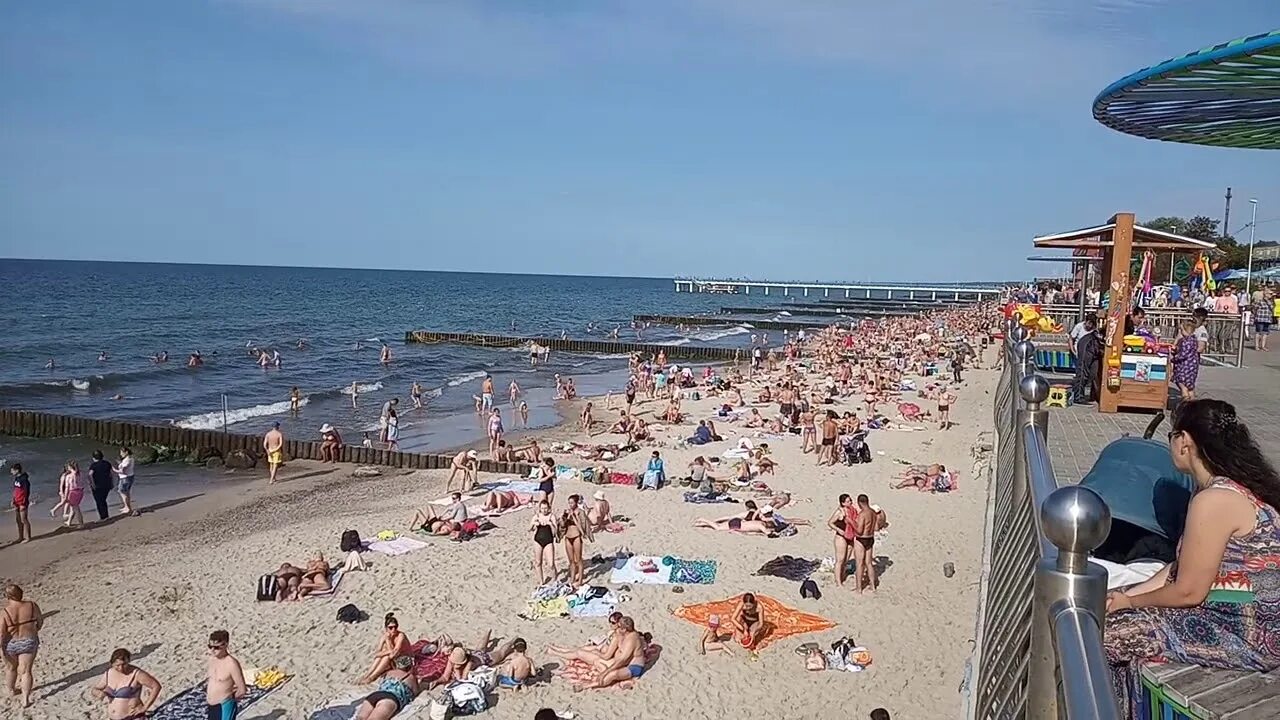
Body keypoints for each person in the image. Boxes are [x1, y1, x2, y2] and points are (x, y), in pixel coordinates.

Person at [1104, 399, 1280, 714]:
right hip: (1244, 622)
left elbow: (1188, 591)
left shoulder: (1213, 500)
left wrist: (1129, 603)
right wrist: (1125, 595)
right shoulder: (1230, 489)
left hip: (1248, 635)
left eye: (1172, 436)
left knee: (1109, 636)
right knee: (1115, 616)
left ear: (1184, 441)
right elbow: (1180, 566)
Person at [92, 647, 162, 720]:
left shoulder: (136, 674)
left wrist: (145, 707)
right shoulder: (109, 673)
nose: (121, 668)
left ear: (128, 661)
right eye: (117, 665)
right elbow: (96, 689)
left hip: (133, 717)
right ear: (112, 664)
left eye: (124, 664)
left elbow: (156, 686)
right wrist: (98, 693)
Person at [1, 584, 41, 708]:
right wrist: (34, 630)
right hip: (28, 640)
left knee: (11, 669)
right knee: (26, 671)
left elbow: (1, 633)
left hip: (11, 643)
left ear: (7, 596)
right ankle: (25, 699)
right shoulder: (32, 606)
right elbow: (39, 622)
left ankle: (11, 690)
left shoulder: (5, 612)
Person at [355, 655, 418, 720]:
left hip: (375, 695)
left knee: (360, 718)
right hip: (390, 698)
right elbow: (415, 692)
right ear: (410, 667)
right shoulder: (410, 677)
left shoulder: (389, 673)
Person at [358, 613, 412, 684]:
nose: (393, 629)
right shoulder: (384, 637)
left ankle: (372, 677)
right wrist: (386, 651)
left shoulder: (400, 636)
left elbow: (393, 655)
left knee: (386, 657)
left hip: (405, 661)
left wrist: (388, 641)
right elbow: (377, 654)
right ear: (386, 629)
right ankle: (368, 674)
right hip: (395, 660)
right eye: (390, 628)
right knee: (381, 656)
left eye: (395, 627)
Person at [205, 630, 246, 720]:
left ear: (226, 645)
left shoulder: (231, 664)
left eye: (216, 647)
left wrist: (229, 700)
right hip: (211, 706)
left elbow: (242, 689)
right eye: (210, 646)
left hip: (224, 705)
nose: (212, 650)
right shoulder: (212, 659)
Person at [561, 494, 594, 587]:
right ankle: (572, 578)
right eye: (569, 503)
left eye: (572, 503)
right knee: (571, 560)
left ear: (576, 503)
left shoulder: (580, 512)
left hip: (576, 536)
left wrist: (574, 517)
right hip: (568, 536)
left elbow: (582, 528)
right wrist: (565, 517)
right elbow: (562, 526)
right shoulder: (567, 512)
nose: (570, 505)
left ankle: (580, 579)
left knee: (579, 559)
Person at [851, 494, 879, 595]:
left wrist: (851, 522)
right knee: (869, 563)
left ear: (859, 503)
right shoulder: (873, 512)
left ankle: (859, 588)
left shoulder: (862, 514)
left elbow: (859, 531)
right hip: (870, 538)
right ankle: (872, 585)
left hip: (861, 539)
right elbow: (876, 527)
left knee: (859, 564)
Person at [827, 494, 857, 587]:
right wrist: (839, 530)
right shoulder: (839, 512)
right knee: (840, 559)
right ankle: (838, 582)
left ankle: (843, 575)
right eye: (848, 501)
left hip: (850, 536)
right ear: (843, 503)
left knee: (846, 559)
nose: (850, 502)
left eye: (850, 500)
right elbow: (830, 523)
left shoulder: (852, 510)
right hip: (841, 536)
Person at [530, 500, 560, 585]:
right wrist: (534, 524)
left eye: (546, 508)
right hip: (538, 540)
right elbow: (530, 528)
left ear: (549, 508)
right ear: (540, 508)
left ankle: (555, 580)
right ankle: (541, 581)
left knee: (551, 563)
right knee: (538, 562)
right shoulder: (537, 516)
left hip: (548, 541)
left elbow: (555, 533)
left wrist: (551, 524)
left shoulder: (552, 516)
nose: (544, 510)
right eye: (542, 508)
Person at [1171, 320, 1200, 401]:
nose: (1180, 332)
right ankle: (1193, 404)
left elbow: (1182, 355)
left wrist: (1174, 358)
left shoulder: (1185, 342)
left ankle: (1186, 402)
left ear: (1186, 330)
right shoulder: (1194, 340)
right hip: (1192, 367)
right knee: (1190, 388)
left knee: (1182, 385)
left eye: (1181, 330)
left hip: (1184, 368)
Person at [57, 460, 85, 529]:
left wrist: (65, 496)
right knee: (74, 508)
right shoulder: (80, 474)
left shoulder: (69, 476)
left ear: (70, 467)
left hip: (73, 492)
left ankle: (81, 523)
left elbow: (67, 487)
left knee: (76, 508)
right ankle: (69, 521)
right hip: (80, 491)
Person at [88, 450, 115, 522]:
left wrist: (92, 484)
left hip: (98, 486)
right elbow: (111, 474)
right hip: (107, 484)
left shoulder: (93, 465)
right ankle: (105, 515)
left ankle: (103, 517)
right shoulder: (107, 463)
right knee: (103, 500)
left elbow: (90, 474)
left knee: (99, 501)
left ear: (94, 458)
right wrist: (112, 483)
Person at [112, 447, 138, 516]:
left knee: (121, 491)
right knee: (126, 492)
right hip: (129, 477)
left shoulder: (127, 460)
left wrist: (113, 469)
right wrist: (120, 463)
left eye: (121, 452)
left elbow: (122, 471)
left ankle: (128, 508)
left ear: (126, 452)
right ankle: (126, 506)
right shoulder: (130, 458)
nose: (121, 454)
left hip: (125, 478)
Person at [10, 463, 32, 544]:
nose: (11, 472)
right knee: (18, 520)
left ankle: (28, 537)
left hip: (23, 502)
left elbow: (26, 492)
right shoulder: (16, 478)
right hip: (16, 501)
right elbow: (15, 490)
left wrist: (23, 503)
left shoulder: (24, 480)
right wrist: (13, 499)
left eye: (12, 470)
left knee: (24, 520)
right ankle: (20, 536)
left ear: (17, 470)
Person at [1254, 287, 1274, 352]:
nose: (1271, 295)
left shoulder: (1271, 302)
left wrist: (1268, 301)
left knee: (1265, 333)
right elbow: (1255, 308)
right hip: (1260, 319)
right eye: (1270, 294)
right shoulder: (1260, 301)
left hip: (1267, 319)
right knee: (1258, 332)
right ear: (1266, 294)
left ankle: (1263, 346)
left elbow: (1272, 307)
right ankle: (1257, 346)